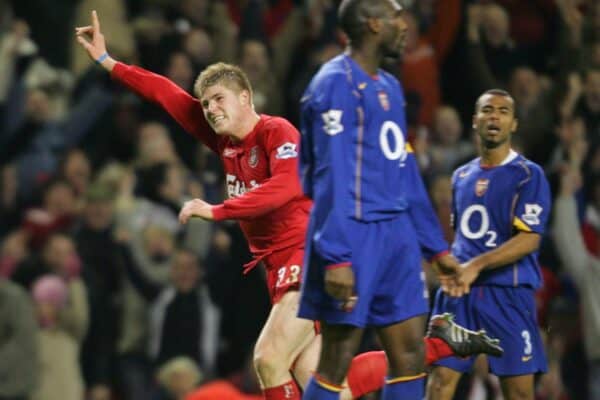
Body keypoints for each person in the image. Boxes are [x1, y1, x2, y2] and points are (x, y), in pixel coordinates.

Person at [75, 11, 501, 400]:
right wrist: (108, 62)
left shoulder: (276, 132)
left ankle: (437, 342)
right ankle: (442, 343)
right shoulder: (223, 143)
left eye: (219, 99)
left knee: (268, 359)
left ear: (246, 98)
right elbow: (165, 94)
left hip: (309, 255)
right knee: (321, 381)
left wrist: (219, 210)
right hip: (277, 268)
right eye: (205, 104)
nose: (210, 109)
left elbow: (285, 185)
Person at [297, 1, 480, 399]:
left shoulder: (390, 87)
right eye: (398, 16)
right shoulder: (333, 85)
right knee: (337, 357)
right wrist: (338, 255)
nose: (405, 25)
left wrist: (435, 249)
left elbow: (405, 172)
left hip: (396, 236)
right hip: (352, 234)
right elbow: (330, 174)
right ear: (373, 24)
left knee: (411, 354)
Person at [426, 89, 552, 400]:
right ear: (475, 121)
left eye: (503, 111)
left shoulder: (528, 175)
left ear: (514, 125)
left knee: (519, 393)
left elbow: (529, 239)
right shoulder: (460, 176)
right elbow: (462, 239)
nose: (494, 116)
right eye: (487, 110)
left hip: (507, 296)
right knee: (440, 382)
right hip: (460, 295)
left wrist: (476, 266)